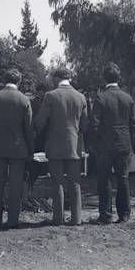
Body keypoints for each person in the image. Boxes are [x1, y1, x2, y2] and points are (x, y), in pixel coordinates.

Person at [33, 68, 88, 226]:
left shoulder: (51, 95)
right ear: (70, 78)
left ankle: (58, 218)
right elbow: (85, 124)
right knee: (75, 182)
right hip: (74, 144)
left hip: (55, 144)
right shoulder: (80, 97)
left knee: (57, 182)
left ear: (56, 78)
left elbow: (40, 121)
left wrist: (37, 131)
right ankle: (77, 218)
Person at [0, 69, 34, 230]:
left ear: (4, 79)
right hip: (18, 148)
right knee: (15, 184)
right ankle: (13, 220)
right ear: (19, 82)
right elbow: (29, 128)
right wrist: (30, 150)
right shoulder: (24, 99)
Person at [90, 63, 135, 224]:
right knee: (123, 179)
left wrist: (94, 143)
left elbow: (94, 124)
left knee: (105, 180)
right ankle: (124, 215)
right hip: (124, 143)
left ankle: (106, 215)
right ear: (119, 78)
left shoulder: (101, 97)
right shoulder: (128, 98)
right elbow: (133, 124)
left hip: (105, 145)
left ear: (104, 78)